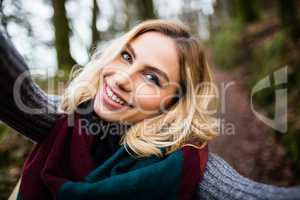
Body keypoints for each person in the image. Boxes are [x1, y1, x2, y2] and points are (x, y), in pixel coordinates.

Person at [0, 20, 299, 200]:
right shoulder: (66, 119)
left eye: (152, 78)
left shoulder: (184, 166)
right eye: (127, 56)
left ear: (172, 102)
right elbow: (15, 90)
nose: (120, 80)